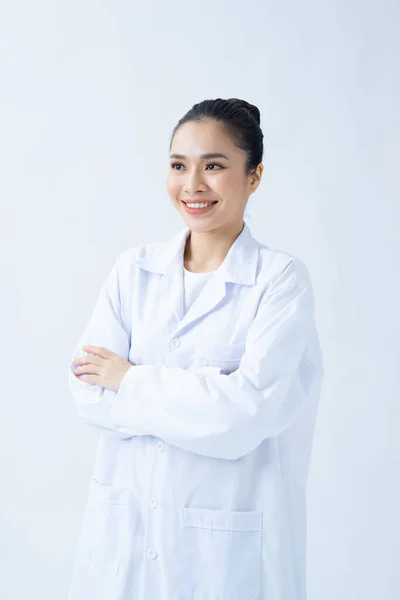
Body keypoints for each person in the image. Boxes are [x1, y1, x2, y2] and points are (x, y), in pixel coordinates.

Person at [67, 97, 324, 600]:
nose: (193, 185)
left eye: (214, 166)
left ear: (254, 177)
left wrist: (129, 379)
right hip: (125, 540)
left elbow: (244, 418)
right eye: (179, 166)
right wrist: (203, 401)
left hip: (226, 558)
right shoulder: (133, 271)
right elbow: (85, 394)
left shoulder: (280, 282)